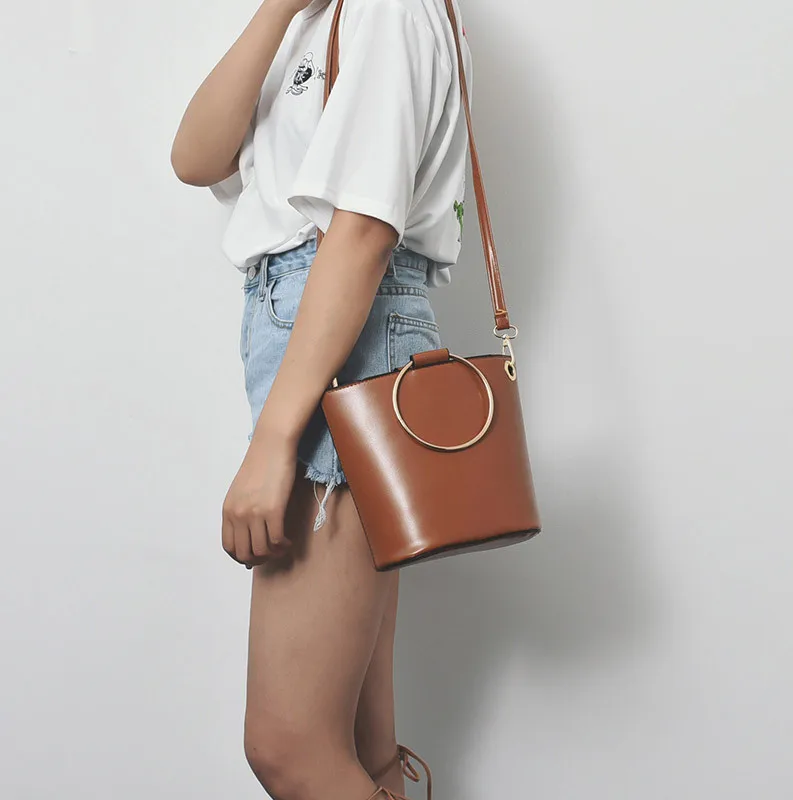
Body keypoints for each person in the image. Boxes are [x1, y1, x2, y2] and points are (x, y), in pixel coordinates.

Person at [171, 0, 472, 797]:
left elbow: (365, 231)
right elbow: (195, 157)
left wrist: (277, 440)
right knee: (363, 748)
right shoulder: (316, 21)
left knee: (289, 744)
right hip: (323, 337)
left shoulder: (388, 10)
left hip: (345, 340)